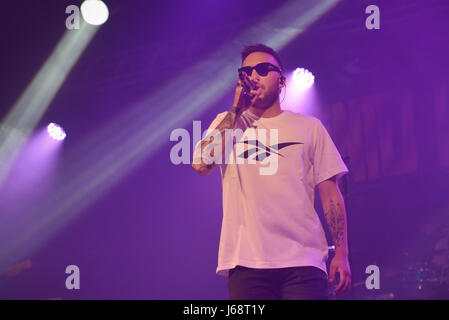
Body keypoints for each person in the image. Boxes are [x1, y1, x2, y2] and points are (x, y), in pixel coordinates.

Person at [192, 44, 351, 300]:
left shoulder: (309, 127)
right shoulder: (229, 122)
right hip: (246, 261)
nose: (253, 76)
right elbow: (201, 165)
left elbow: (330, 193)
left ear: (281, 80)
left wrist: (342, 254)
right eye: (246, 72)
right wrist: (236, 110)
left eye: (263, 69)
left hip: (303, 260)